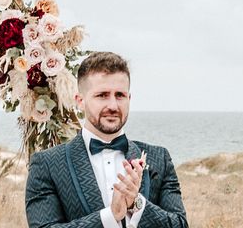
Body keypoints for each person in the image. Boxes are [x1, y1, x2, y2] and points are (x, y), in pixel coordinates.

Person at [25, 51, 188, 228]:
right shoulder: (47, 164)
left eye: (120, 95)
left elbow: (180, 224)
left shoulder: (159, 158)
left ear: (129, 99)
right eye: (102, 95)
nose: (113, 105)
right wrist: (109, 217)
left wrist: (137, 205)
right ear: (80, 101)